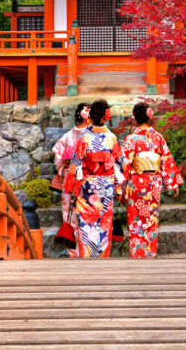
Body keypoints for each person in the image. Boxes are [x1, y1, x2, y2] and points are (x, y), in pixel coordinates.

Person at [63, 99, 126, 258]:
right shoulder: (111, 137)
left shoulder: (83, 136)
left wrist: (72, 188)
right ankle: (102, 259)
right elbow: (120, 164)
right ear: (105, 117)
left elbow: (75, 163)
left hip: (87, 187)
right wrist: (119, 188)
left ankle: (87, 258)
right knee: (104, 225)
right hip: (106, 186)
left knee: (86, 224)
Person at [122, 103, 183, 258]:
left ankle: (137, 254)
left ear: (135, 118)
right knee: (151, 219)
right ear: (150, 117)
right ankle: (150, 253)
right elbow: (166, 160)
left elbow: (125, 165)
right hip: (154, 183)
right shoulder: (158, 138)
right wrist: (172, 182)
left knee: (135, 219)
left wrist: (120, 188)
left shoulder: (131, 139)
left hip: (135, 182)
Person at [52, 102, 91, 257]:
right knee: (70, 212)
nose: (87, 112)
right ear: (79, 114)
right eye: (85, 110)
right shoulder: (69, 135)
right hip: (71, 176)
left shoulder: (97, 134)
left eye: (90, 110)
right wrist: (64, 161)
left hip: (90, 177)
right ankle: (74, 249)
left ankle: (88, 248)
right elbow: (57, 150)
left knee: (89, 210)